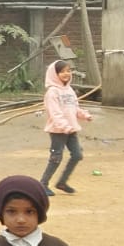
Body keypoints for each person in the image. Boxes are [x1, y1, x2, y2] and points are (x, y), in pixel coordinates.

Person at [40, 60, 92, 196]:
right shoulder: (52, 92)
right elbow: (55, 113)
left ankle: (62, 182)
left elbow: (74, 108)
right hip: (58, 131)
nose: (66, 74)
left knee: (77, 155)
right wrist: (64, 126)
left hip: (71, 129)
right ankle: (43, 184)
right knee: (56, 158)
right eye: (62, 71)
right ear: (54, 74)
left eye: (68, 71)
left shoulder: (69, 90)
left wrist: (84, 115)